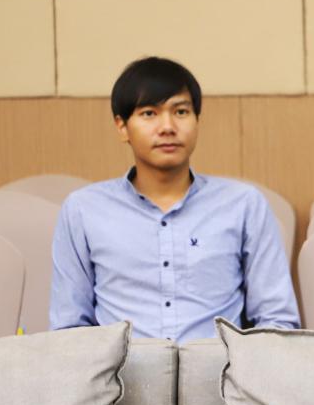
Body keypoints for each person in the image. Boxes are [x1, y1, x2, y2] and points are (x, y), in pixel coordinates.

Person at [49, 57, 299, 342]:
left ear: (197, 121)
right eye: (149, 113)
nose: (167, 127)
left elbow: (277, 321)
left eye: (181, 111)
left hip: (220, 370)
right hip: (123, 371)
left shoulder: (243, 205)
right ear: (122, 127)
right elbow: (69, 328)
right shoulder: (84, 210)